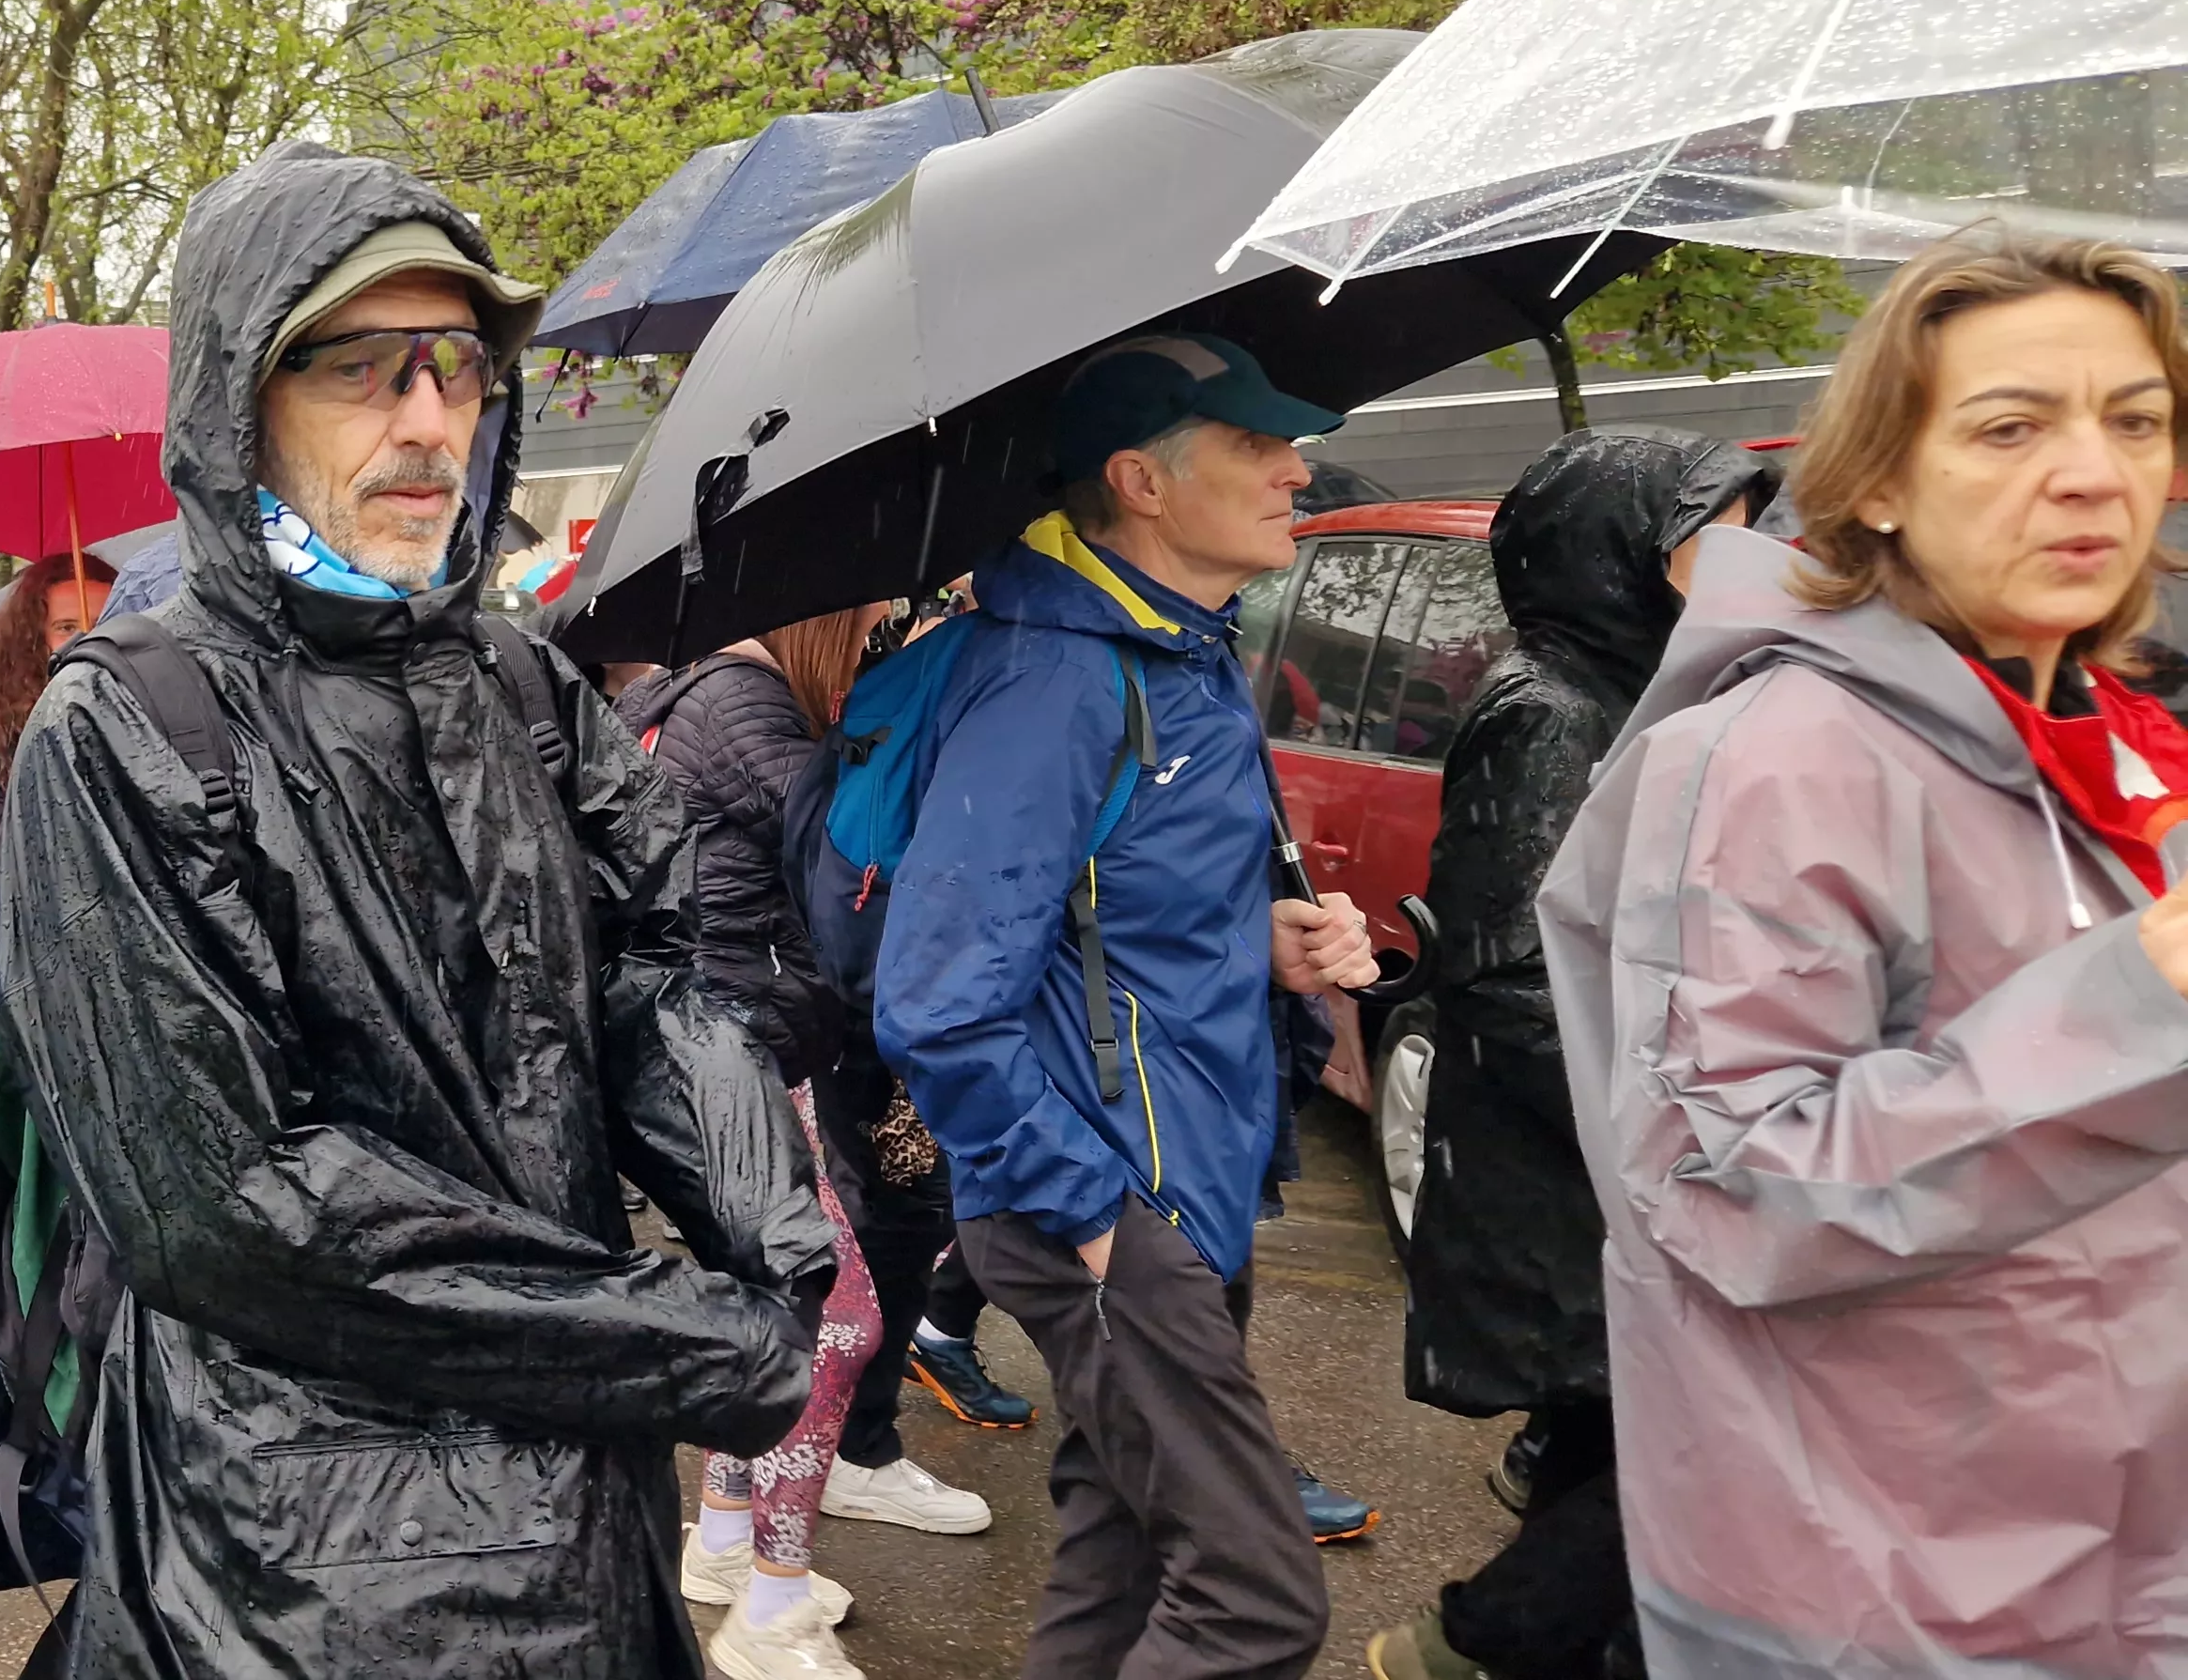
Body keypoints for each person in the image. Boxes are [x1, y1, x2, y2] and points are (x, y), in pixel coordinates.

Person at [0, 143, 831, 1677]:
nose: (429, 416)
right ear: (241, 395)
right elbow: (232, 1206)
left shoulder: (514, 678)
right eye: (363, 366)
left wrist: (769, 1225)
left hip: (587, 1500)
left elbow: (651, 969)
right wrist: (677, 1337)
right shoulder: (125, 728)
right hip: (305, 1563)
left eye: (454, 364)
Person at [1539, 236, 2188, 1679]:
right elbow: (1732, 1186)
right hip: (1890, 1590)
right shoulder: (1780, 760)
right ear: (1879, 481)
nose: (2093, 471)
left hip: (2125, 1552)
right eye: (2012, 426)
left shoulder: (2127, 744)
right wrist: (2145, 1004)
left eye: (2134, 419)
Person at [877, 332, 1386, 1679]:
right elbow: (938, 1001)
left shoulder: (1180, 650)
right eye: (1255, 445)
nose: (1295, 470)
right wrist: (1098, 1222)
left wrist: (1260, 940)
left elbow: (1115, 917)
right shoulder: (1054, 674)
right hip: (1113, 1199)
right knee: (1257, 1600)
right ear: (1140, 481)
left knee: (1123, 1577)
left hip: (1191, 1182)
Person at [1359, 427, 1772, 1680]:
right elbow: (1506, 972)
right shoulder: (1553, 714)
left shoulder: (1664, 692)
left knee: (1625, 1457)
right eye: (1718, 532)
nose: (1751, 556)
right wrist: (1669, 1132)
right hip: (1581, 1166)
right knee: (1680, 1446)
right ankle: (1470, 1643)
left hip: (1625, 1150)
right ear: (1620, 555)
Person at [619, 605, 994, 1680]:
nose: (887, 634)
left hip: (731, 1048)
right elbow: (861, 862)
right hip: (722, 1053)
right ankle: (771, 1611)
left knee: (774, 1302)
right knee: (840, 1316)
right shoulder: (747, 707)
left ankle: (729, 1543)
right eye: (877, 618)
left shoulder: (701, 689)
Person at [0, 552, 116, 924]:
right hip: (35, 953)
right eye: (66, 626)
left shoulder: (150, 715)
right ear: (32, 641)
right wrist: (54, 774)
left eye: (104, 622)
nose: (87, 639)